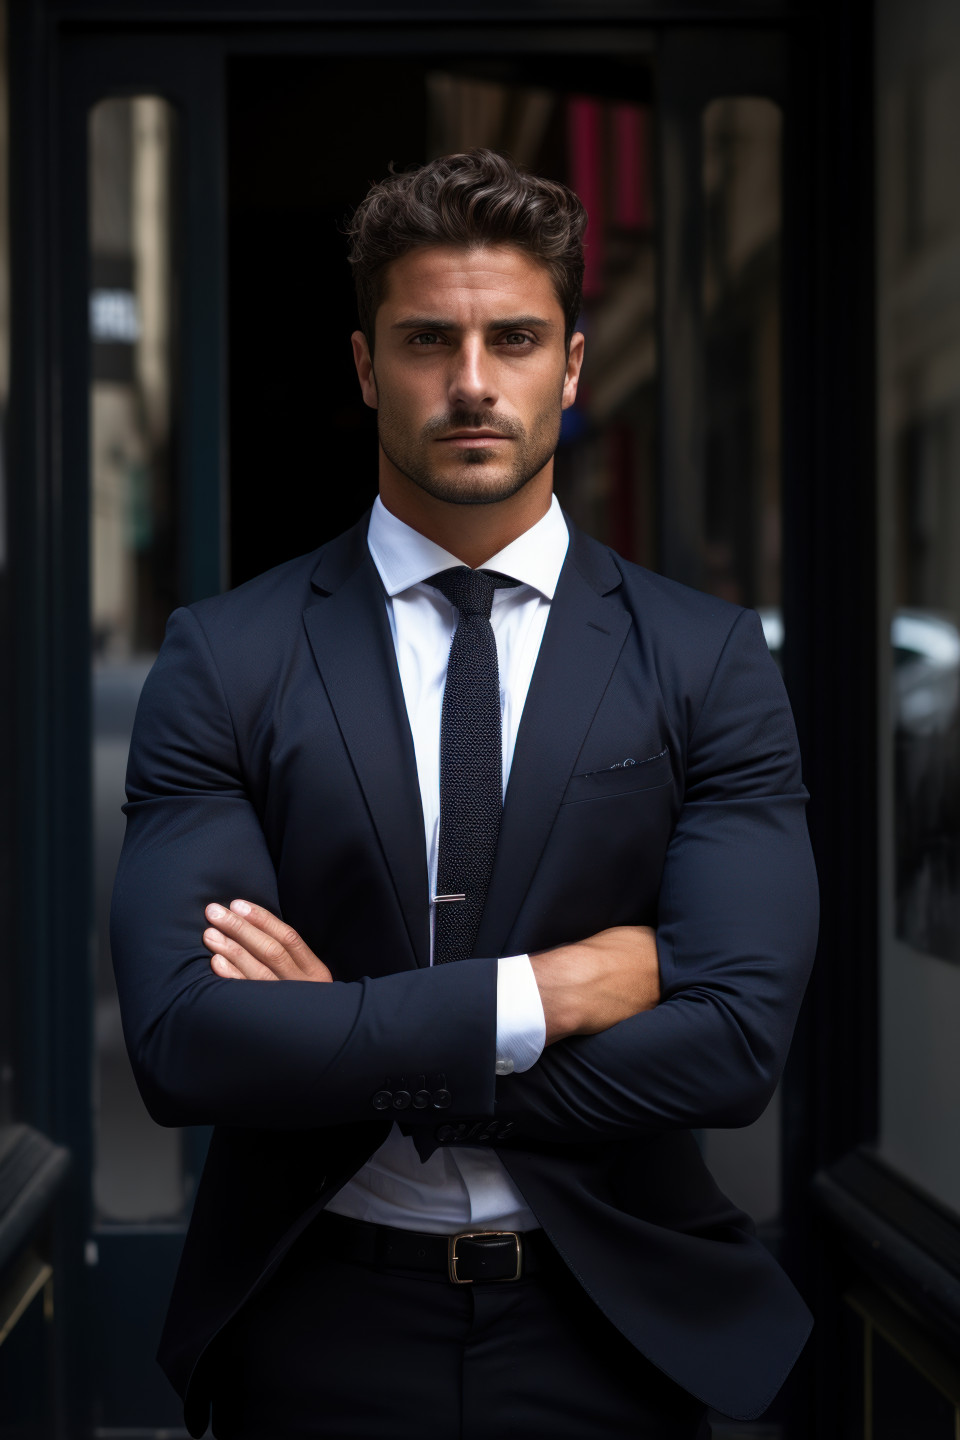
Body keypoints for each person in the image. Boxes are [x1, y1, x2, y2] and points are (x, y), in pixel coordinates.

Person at [110, 148, 819, 1440]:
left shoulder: (706, 663)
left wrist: (356, 1047)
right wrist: (537, 997)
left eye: (516, 338)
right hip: (315, 1324)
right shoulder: (231, 657)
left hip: (613, 1327)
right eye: (430, 339)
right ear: (369, 367)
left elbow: (735, 1045)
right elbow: (182, 1041)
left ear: (575, 365)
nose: (475, 382)